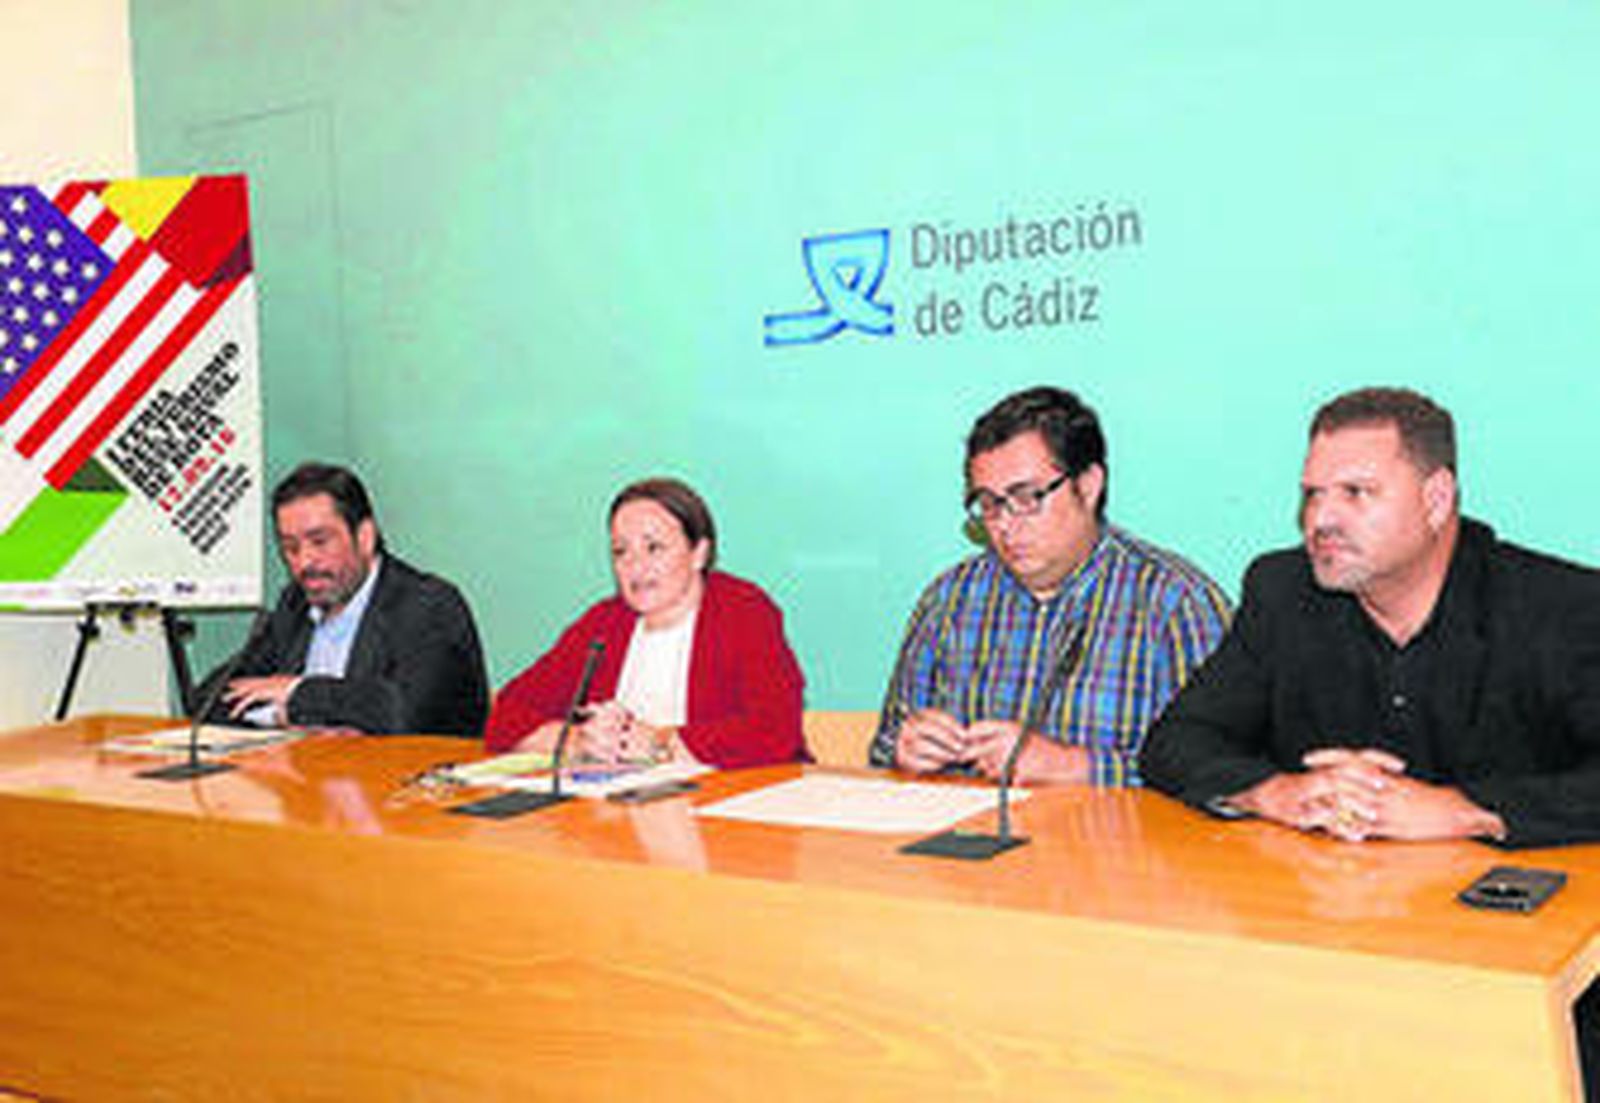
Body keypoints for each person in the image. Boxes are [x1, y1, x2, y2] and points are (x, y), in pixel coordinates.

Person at [1139, 386, 1600, 847]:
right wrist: (1275, 793)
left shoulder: (1559, 607)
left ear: (1436, 499)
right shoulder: (1282, 591)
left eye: (1356, 493)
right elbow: (1178, 740)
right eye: (1313, 495)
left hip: (1514, 907)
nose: (1320, 520)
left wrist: (1470, 811)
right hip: (1326, 905)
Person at [870, 386, 1231, 785]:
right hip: (970, 838)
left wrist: (1079, 767)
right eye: (989, 503)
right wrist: (905, 748)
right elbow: (885, 746)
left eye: (1026, 497)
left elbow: (1228, 773)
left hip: (1112, 845)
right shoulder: (951, 599)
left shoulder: (1176, 604)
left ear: (1089, 485)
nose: (1005, 524)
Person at [484, 477, 806, 768]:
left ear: (699, 554)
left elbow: (776, 729)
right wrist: (578, 741)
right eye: (621, 551)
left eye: (654, 548)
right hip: (623, 813)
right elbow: (507, 714)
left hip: (735, 811)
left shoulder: (743, 610)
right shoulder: (604, 623)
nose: (636, 566)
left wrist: (661, 745)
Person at [200, 462, 489, 736]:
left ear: (365, 537)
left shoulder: (428, 606)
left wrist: (297, 695)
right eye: (290, 547)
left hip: (406, 784)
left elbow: (404, 713)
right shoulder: (295, 606)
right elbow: (209, 700)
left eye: (319, 541)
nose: (304, 562)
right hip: (309, 779)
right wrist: (283, 716)